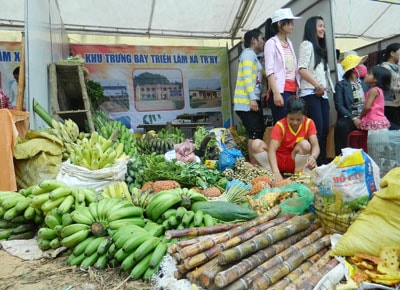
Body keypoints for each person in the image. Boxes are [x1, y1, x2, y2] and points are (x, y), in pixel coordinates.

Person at [251, 96, 320, 183]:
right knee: (256, 144)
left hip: (295, 160)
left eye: (299, 119)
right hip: (278, 160)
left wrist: (313, 157)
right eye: (291, 119)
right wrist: (276, 172)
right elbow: (272, 151)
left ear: (304, 116)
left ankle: (298, 176)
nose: (295, 122)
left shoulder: (309, 123)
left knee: (305, 144)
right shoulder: (280, 125)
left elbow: (315, 145)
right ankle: (271, 174)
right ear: (286, 115)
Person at [297, 16, 334, 165]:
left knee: (324, 129)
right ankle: (314, 164)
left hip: (322, 95)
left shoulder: (320, 48)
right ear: (312, 28)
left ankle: (322, 162)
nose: (323, 29)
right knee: (316, 131)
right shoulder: (307, 44)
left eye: (324, 26)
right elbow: (302, 69)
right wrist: (317, 86)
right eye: (320, 26)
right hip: (311, 94)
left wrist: (324, 89)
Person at [233, 28, 266, 165]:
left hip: (252, 100)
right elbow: (247, 77)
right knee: (254, 132)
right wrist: (252, 98)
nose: (263, 42)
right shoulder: (248, 55)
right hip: (246, 102)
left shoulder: (253, 56)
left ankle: (255, 163)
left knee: (257, 131)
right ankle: (254, 164)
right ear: (254, 40)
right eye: (261, 38)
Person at [263, 8, 301, 124]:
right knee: (282, 126)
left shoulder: (289, 42)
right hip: (281, 90)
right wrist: (276, 93)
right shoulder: (271, 43)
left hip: (292, 90)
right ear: (280, 24)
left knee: (293, 125)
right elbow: (269, 71)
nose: (292, 25)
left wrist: (296, 90)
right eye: (289, 22)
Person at [333, 54, 367, 155]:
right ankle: (340, 157)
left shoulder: (365, 83)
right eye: (359, 65)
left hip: (366, 117)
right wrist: (354, 118)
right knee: (341, 126)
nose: (362, 67)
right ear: (353, 69)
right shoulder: (341, 85)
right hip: (350, 118)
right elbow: (339, 106)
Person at [359, 65, 391, 133]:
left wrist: (360, 116)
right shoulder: (379, 90)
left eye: (369, 74)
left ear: (376, 79)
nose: (366, 75)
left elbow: (367, 107)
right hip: (379, 122)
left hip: (374, 121)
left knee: (374, 142)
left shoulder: (373, 90)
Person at [380, 43, 400, 127]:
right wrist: (398, 89)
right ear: (392, 53)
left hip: (397, 103)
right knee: (395, 129)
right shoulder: (384, 68)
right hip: (389, 104)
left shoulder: (397, 67)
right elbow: (384, 86)